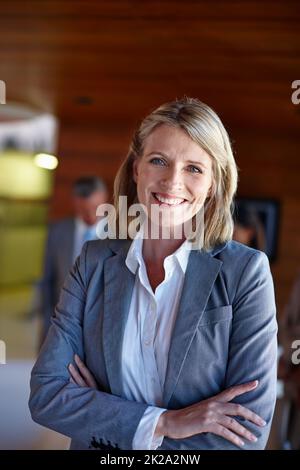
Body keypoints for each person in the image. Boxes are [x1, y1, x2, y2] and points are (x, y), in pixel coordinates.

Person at [29, 98, 277, 450]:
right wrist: (168, 423)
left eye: (194, 168)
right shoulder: (93, 261)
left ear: (213, 183)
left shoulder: (246, 273)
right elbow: (47, 395)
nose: (172, 181)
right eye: (159, 160)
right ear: (136, 169)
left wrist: (107, 414)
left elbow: (246, 435)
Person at [39, 175, 108, 344]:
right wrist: (47, 323)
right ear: (75, 202)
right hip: (62, 323)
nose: (91, 215)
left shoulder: (120, 233)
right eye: (84, 209)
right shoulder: (58, 231)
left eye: (96, 207)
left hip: (103, 327)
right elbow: (47, 280)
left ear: (105, 200)